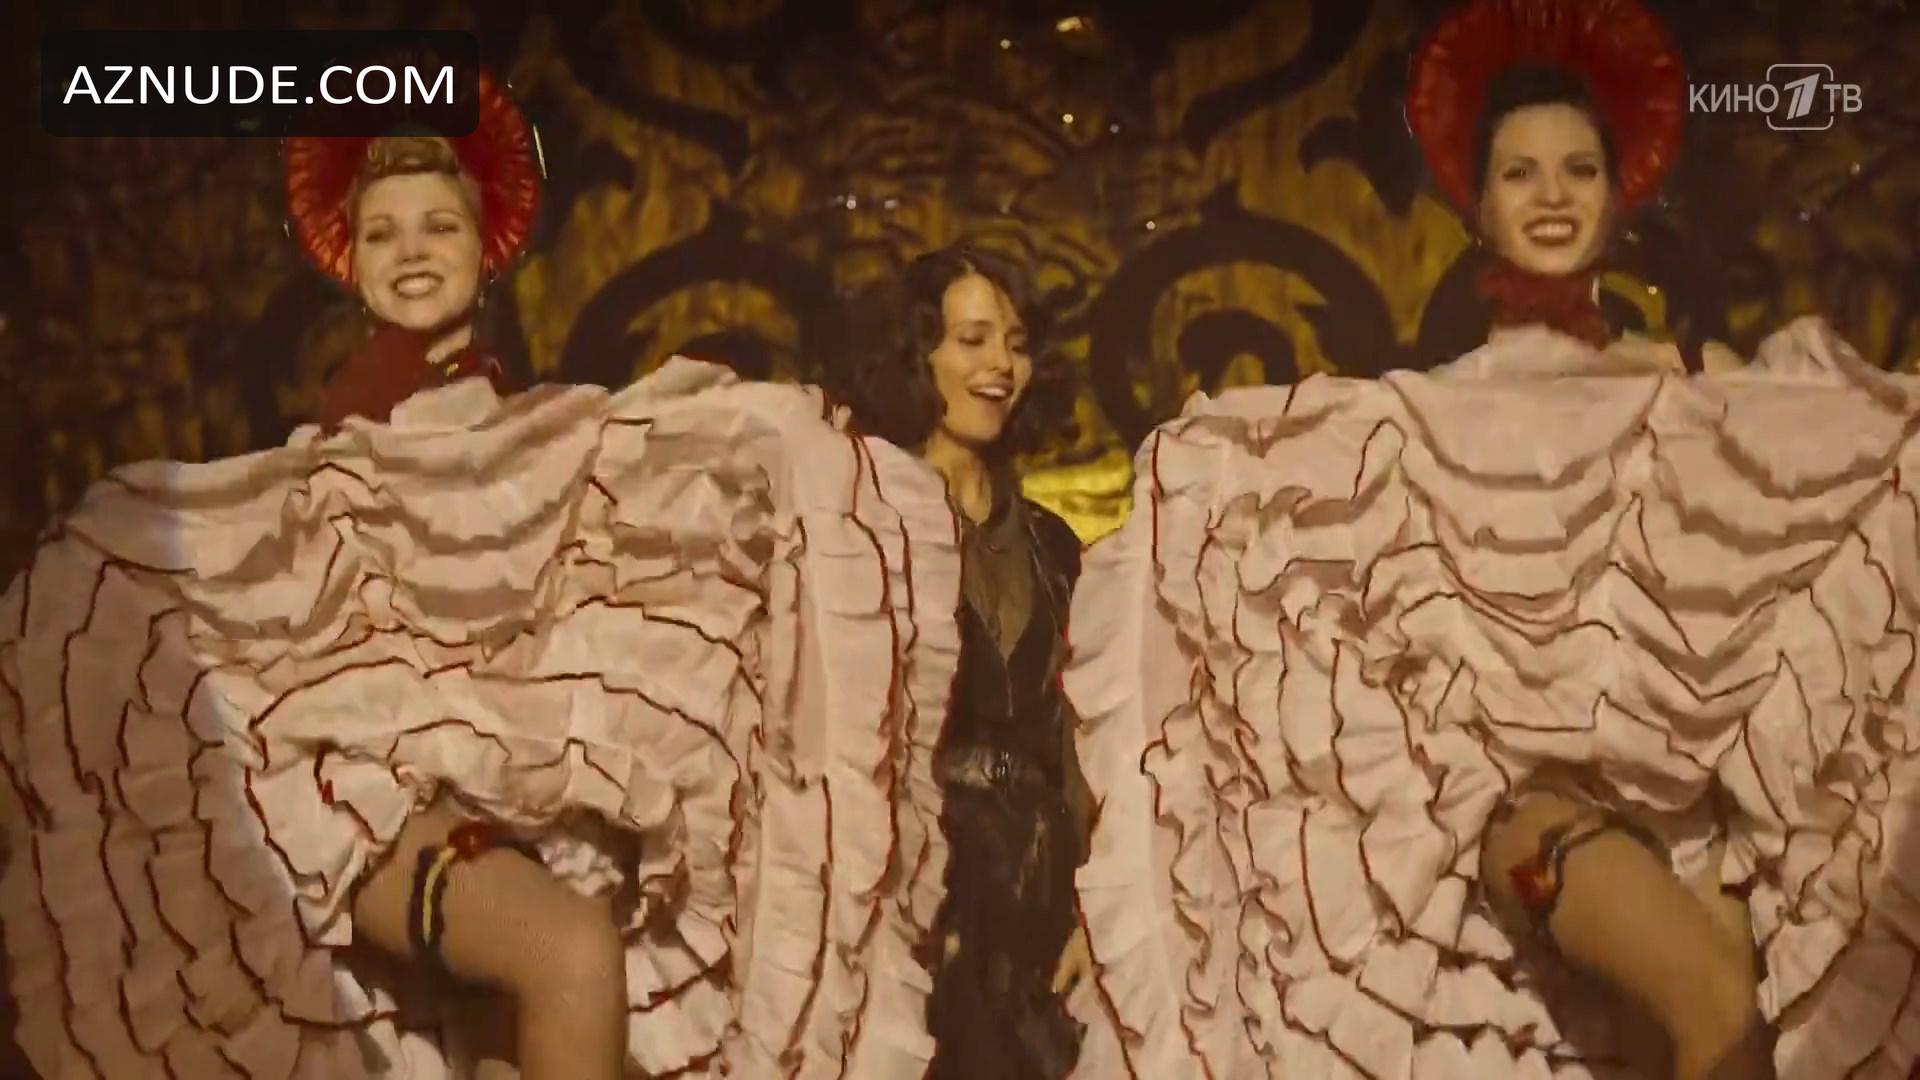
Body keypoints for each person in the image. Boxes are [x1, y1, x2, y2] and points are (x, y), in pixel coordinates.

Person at [0, 69, 960, 1079]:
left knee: (531, 1040)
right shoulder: (340, 450)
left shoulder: (542, 436)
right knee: (572, 958)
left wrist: (783, 448)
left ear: (485, 247)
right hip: (360, 799)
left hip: (510, 811)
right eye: (382, 233)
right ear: (350, 261)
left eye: (438, 226)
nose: (412, 251)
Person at [1060, 1, 1915, 1077]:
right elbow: (1243, 500)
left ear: (1620, 190)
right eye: (1520, 173)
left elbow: (1858, 482)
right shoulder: (1422, 416)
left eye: (1577, 169)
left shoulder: (1699, 398)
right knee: (1718, 1010)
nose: (1552, 195)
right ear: (1478, 202)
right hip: (1534, 815)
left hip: (1700, 830)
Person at [831, 244, 1093, 1080]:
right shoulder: (866, 526)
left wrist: (1096, 911)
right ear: (918, 354)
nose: (1000, 366)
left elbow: (1081, 741)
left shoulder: (1054, 545)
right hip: (927, 893)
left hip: (1043, 897)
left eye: (1015, 343)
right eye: (972, 339)